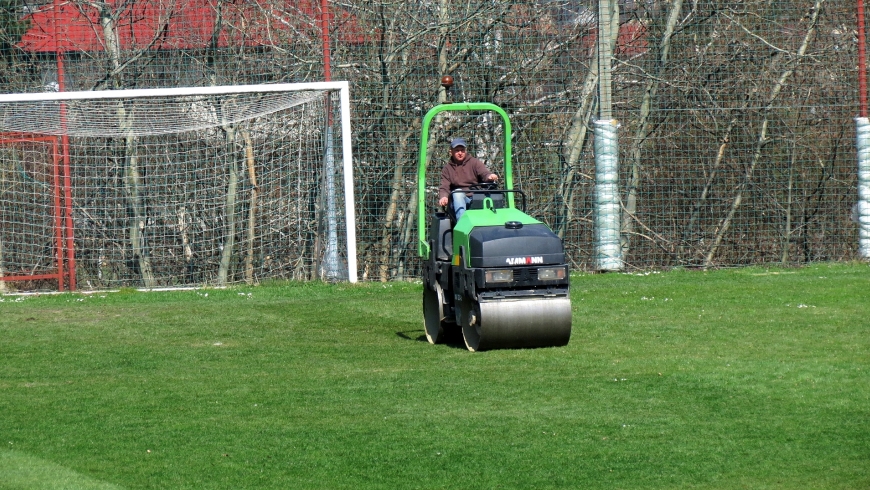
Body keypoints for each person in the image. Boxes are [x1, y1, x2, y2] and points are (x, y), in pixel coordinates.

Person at [437, 137, 498, 220]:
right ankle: (462, 226)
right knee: (458, 193)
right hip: (458, 200)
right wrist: (444, 197)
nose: (460, 153)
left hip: (476, 197)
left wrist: (489, 176)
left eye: (462, 150)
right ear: (451, 152)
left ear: (465, 151)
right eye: (457, 150)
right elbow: (444, 186)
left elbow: (484, 173)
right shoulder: (447, 169)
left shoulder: (474, 163)